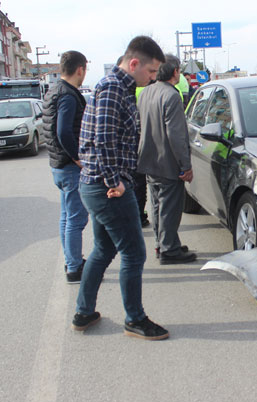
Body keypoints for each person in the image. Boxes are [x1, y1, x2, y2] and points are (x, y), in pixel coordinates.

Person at [74, 35, 169, 341]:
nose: (153, 78)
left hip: (98, 183)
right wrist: (114, 180)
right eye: (151, 72)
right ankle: (135, 319)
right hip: (108, 187)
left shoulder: (120, 87)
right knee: (134, 253)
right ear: (134, 63)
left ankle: (84, 312)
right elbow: (103, 139)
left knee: (103, 249)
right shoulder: (114, 88)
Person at [137, 54, 196, 264]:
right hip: (168, 162)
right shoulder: (171, 96)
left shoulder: (146, 92)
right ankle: (169, 250)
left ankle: (162, 244)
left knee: (157, 207)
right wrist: (185, 165)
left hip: (149, 160)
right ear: (175, 72)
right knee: (170, 209)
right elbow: (176, 135)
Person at [42, 50, 90, 284]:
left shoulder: (54, 90)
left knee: (66, 216)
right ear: (80, 69)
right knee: (76, 218)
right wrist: (78, 157)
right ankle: (74, 267)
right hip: (69, 166)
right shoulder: (68, 95)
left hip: (57, 164)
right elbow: (63, 131)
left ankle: (71, 260)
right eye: (85, 70)